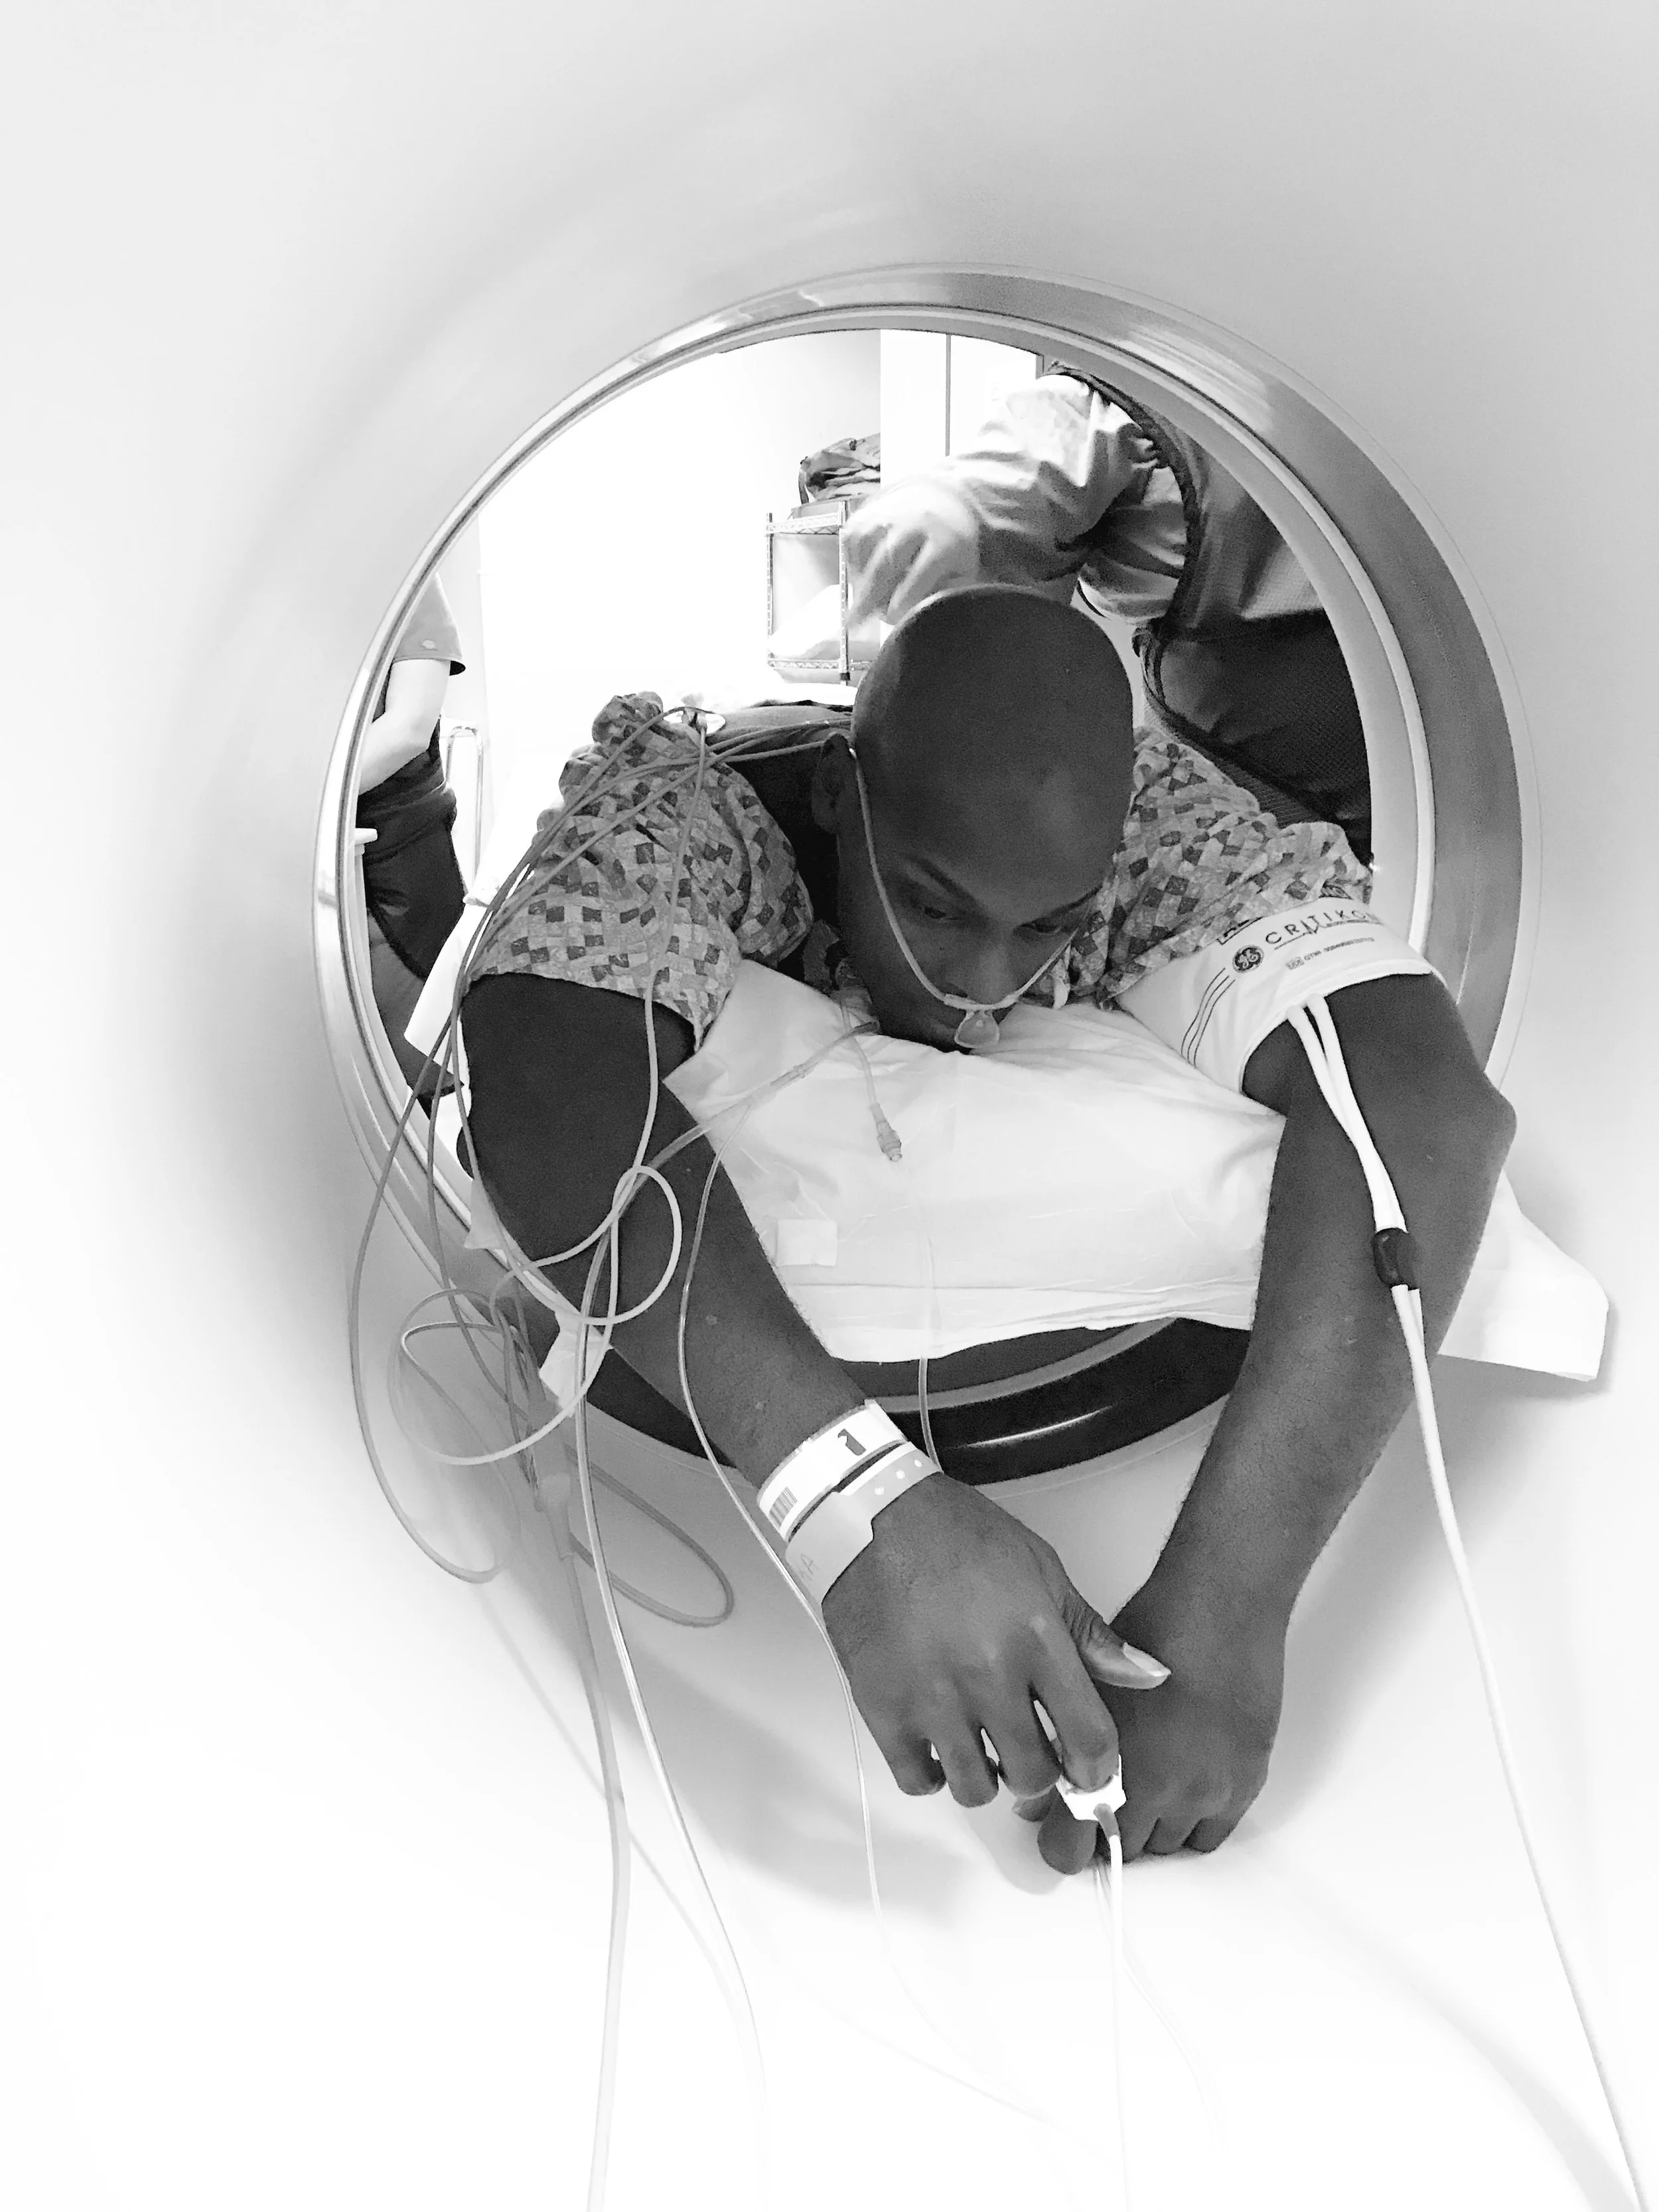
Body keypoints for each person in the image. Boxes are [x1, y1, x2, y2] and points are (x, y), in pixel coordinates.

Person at [457, 585, 1513, 1872]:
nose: (982, 980)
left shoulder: (1152, 828)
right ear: (841, 795)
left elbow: (1427, 1111)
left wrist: (1225, 1619)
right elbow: (540, 1078)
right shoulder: (688, 814)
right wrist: (857, 1499)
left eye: (1047, 928)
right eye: (936, 906)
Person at [841, 369, 1375, 857]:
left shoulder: (1385, 392)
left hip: (1385, 795)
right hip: (1247, 826)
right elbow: (1039, 459)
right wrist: (951, 506)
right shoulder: (1152, 394)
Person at [356, 573, 469, 1091]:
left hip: (397, 858)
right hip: (290, 856)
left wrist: (296, 803)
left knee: (416, 1070)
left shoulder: (407, 582)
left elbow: (407, 729)